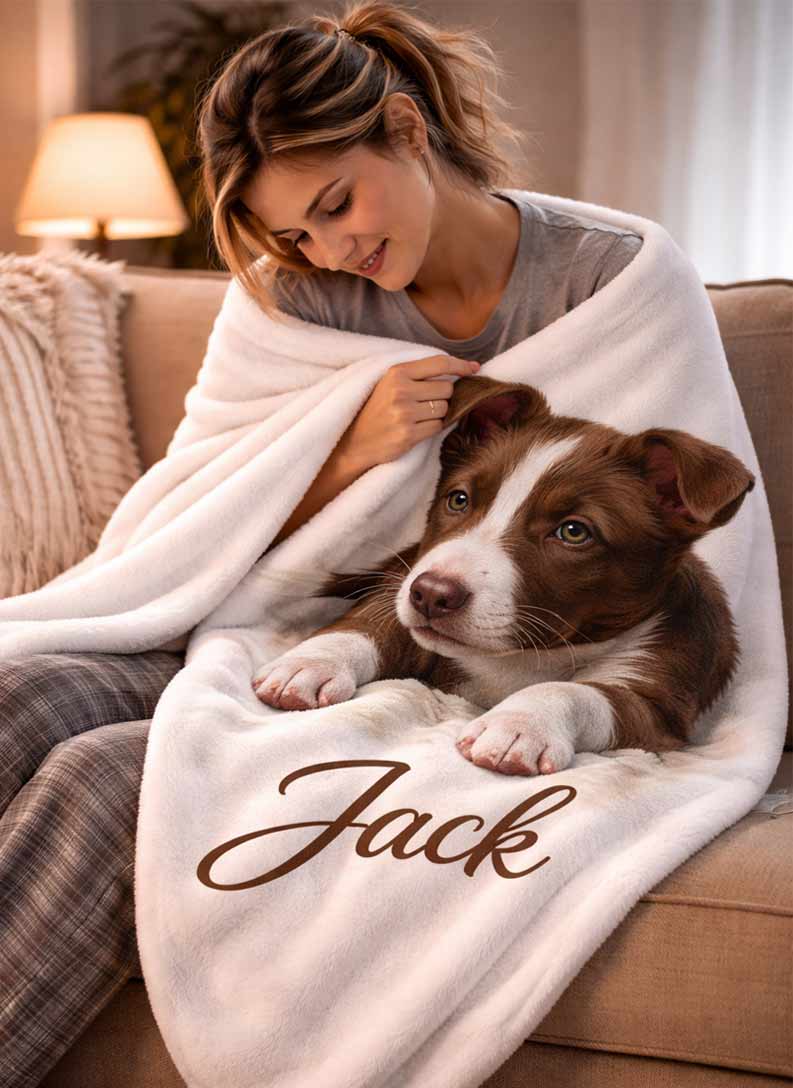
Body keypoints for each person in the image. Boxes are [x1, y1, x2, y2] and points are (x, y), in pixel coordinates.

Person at [0, 2, 641, 1083]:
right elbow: (195, 513)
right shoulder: (294, 297)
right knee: (19, 697)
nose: (332, 246)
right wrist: (345, 452)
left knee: (108, 778)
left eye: (337, 203)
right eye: (296, 230)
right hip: (240, 625)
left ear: (404, 128)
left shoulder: (605, 275)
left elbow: (661, 550)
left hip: (435, 665)